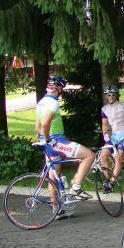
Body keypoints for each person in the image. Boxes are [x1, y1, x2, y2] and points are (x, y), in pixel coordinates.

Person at [34, 75, 96, 218]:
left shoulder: (41, 102)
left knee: (53, 176)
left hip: (47, 143)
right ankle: (76, 187)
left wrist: (44, 139)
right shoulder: (52, 103)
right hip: (55, 142)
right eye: (61, 88)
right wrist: (50, 139)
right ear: (59, 88)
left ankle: (56, 209)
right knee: (89, 155)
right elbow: (44, 125)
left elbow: (36, 127)